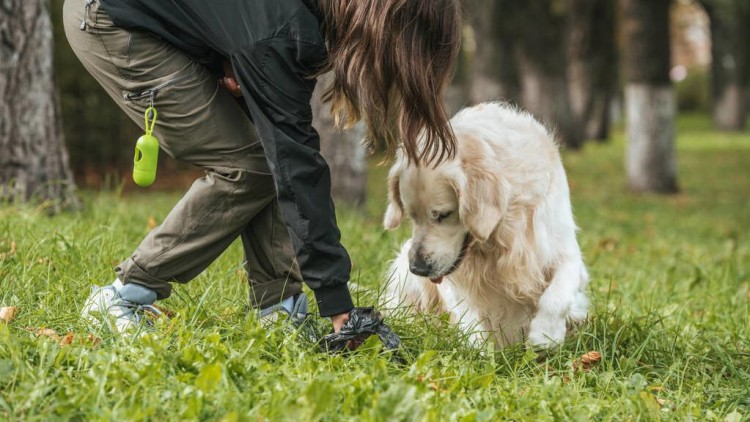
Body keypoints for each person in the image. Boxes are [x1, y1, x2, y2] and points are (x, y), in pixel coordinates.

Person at [63, 0, 461, 336]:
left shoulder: (302, 22)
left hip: (154, 20)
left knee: (265, 148)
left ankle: (279, 310)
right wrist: (338, 305)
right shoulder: (284, 30)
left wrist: (229, 52)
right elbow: (296, 163)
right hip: (109, 19)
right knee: (248, 165)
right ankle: (123, 295)